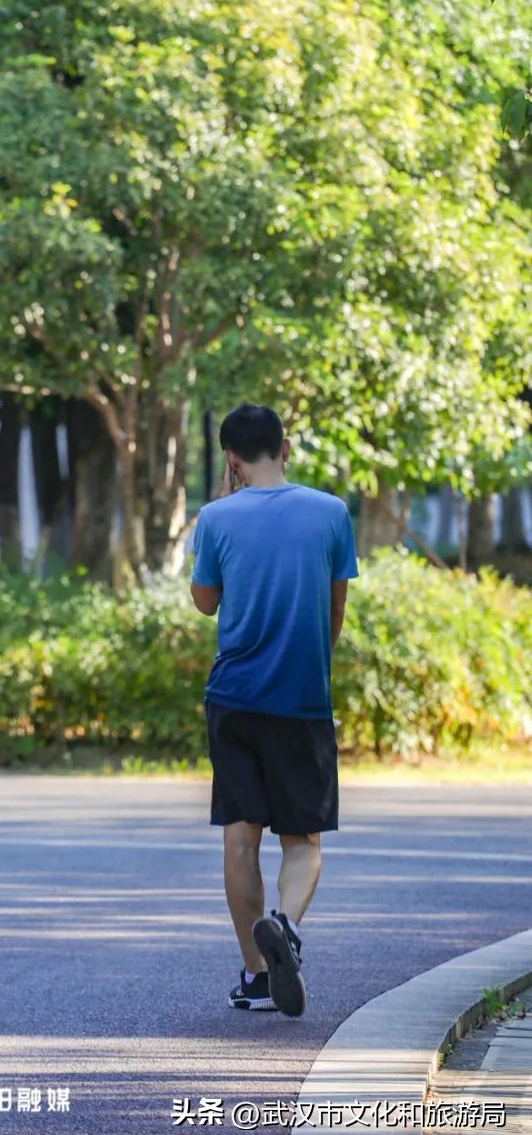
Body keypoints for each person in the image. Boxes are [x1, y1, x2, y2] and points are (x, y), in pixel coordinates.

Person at [190, 403, 358, 1019]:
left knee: (241, 837)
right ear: (284, 448)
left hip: (233, 697)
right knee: (303, 838)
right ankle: (284, 923)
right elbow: (334, 609)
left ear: (231, 459)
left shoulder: (214, 517)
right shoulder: (332, 513)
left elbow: (204, 603)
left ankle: (258, 977)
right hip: (301, 696)